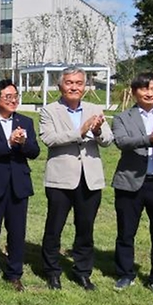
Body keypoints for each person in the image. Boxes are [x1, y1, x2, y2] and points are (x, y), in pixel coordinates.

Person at [39, 66, 113, 290]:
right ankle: (52, 271)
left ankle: (82, 271)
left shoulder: (94, 108)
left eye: (78, 83)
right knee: (54, 228)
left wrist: (98, 131)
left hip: (89, 178)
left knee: (85, 228)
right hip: (61, 179)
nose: (74, 87)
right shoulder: (49, 110)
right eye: (69, 83)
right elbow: (49, 139)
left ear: (85, 86)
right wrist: (80, 132)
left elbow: (108, 140)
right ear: (60, 85)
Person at [0, 79, 40, 291]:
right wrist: (8, 144)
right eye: (8, 97)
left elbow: (35, 152)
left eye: (15, 96)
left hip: (18, 184)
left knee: (17, 232)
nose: (14, 101)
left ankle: (14, 273)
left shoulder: (25, 122)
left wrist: (22, 144)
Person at [111, 72, 153, 296]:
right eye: (144, 89)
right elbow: (123, 142)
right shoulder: (122, 117)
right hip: (130, 181)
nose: (149, 93)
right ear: (134, 92)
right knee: (126, 232)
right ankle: (125, 274)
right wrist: (151, 138)